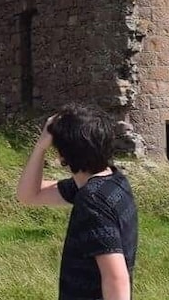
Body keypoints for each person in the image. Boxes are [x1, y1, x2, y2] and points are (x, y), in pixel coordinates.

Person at [14, 104, 139, 300]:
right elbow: (28, 195)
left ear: (63, 155)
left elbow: (116, 278)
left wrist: (41, 145)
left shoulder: (93, 200)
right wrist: (40, 147)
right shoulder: (112, 181)